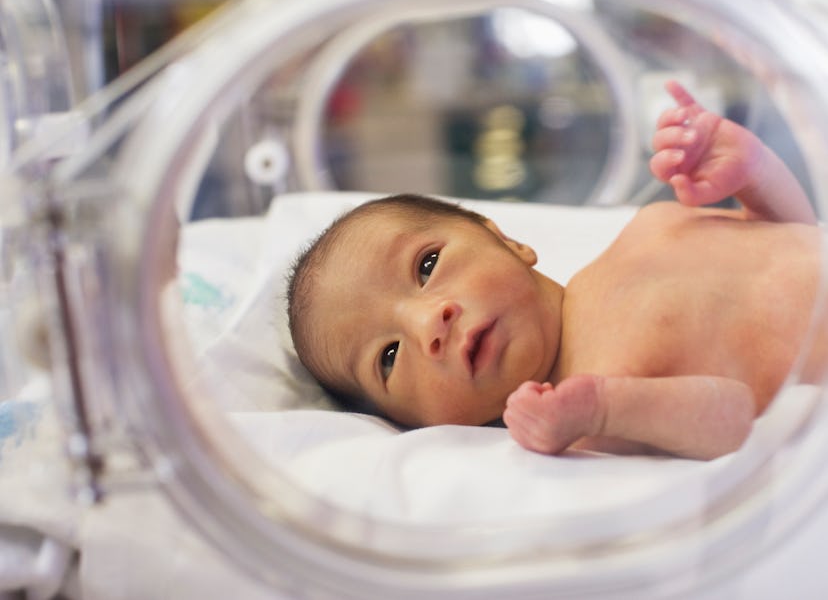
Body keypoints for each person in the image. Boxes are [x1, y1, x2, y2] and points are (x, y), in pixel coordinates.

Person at [287, 81, 825, 460]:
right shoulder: (594, 407)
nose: (429, 324)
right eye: (388, 357)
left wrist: (753, 172)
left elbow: (791, 235)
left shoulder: (650, 226)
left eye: (427, 265)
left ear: (508, 240)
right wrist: (606, 410)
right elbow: (740, 417)